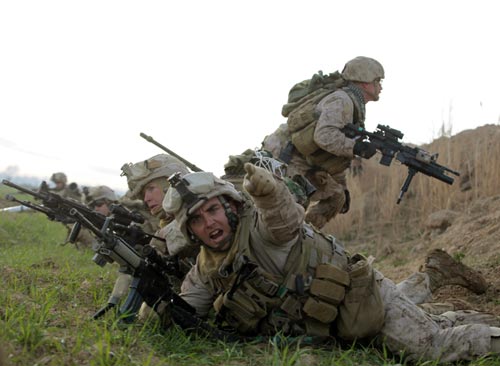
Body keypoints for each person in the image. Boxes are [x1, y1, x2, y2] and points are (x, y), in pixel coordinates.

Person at [154, 163, 500, 363]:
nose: (210, 224)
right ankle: (441, 294)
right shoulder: (206, 267)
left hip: (364, 300)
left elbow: (284, 218)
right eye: (197, 220)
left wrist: (268, 192)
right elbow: (185, 312)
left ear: (229, 206)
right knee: (433, 323)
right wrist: (153, 300)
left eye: (213, 210)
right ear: (191, 231)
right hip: (337, 321)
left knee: (431, 348)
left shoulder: (261, 228)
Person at [262, 56, 383, 229]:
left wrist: (343, 185)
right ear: (364, 82)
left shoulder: (354, 105)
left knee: (337, 197)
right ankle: (286, 241)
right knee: (290, 210)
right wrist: (355, 147)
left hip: (306, 161)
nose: (381, 86)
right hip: (285, 156)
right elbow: (324, 136)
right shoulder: (342, 100)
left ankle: (303, 236)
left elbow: (334, 155)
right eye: (377, 81)